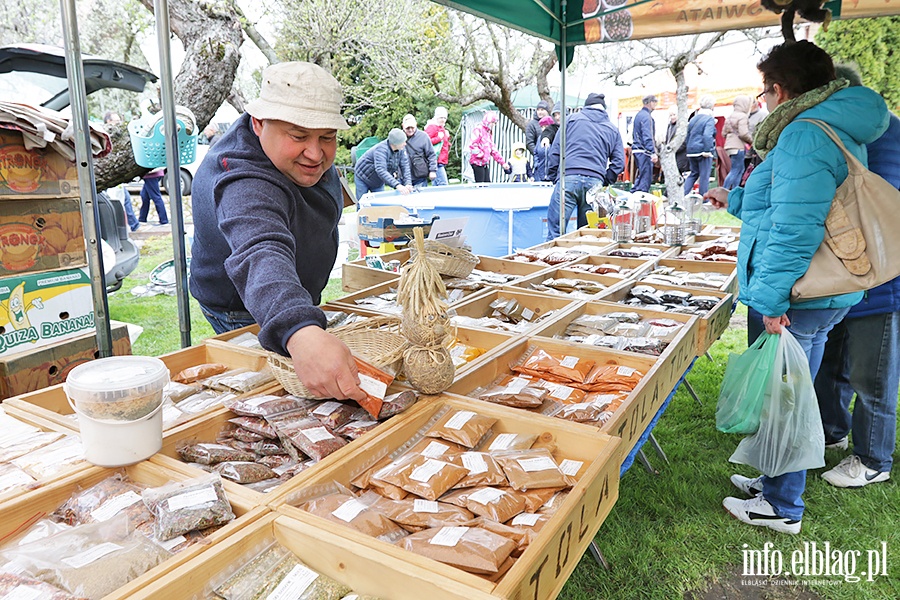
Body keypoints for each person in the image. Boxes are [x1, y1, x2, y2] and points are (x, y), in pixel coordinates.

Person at [705, 41, 889, 534]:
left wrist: (770, 299)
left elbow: (794, 227)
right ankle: (773, 484)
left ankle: (782, 506)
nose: (763, 99)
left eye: (765, 89)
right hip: (823, 290)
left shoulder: (803, 135)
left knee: (787, 399)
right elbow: (783, 207)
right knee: (791, 390)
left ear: (781, 89)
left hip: (804, 292)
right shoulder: (826, 126)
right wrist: (738, 199)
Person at [189, 61, 367, 403]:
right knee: (286, 397)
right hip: (244, 305)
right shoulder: (241, 178)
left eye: (327, 137)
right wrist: (299, 332)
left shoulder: (300, 155)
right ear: (258, 123)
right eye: (298, 136)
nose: (315, 154)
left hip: (293, 296)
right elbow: (260, 249)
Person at [813, 63, 900, 489]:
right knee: (835, 362)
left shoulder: (883, 136)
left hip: (881, 277)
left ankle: (872, 458)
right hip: (846, 276)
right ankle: (834, 432)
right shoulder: (845, 134)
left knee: (873, 374)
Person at [545, 92, 624, 240]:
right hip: (595, 184)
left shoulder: (571, 120)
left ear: (585, 106)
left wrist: (553, 175)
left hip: (568, 178)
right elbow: (619, 162)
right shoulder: (613, 129)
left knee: (555, 234)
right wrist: (605, 179)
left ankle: (551, 262)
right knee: (588, 237)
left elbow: (555, 151)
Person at [353, 128, 413, 201]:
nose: (405, 144)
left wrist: (408, 183)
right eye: (403, 142)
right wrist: (397, 185)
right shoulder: (381, 150)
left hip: (378, 181)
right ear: (395, 143)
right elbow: (381, 170)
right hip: (363, 177)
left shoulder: (401, 149)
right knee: (362, 203)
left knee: (380, 203)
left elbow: (405, 166)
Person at [683, 95, 717, 195]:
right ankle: (704, 197)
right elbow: (707, 135)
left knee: (693, 173)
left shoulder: (693, 118)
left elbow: (687, 134)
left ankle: (683, 194)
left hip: (691, 150)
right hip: (703, 151)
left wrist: (688, 149)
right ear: (711, 107)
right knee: (704, 175)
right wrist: (708, 150)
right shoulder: (709, 119)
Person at [468, 111, 509, 183]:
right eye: (493, 123)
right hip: (477, 162)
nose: (494, 125)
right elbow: (472, 145)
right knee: (480, 184)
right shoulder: (478, 129)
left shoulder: (488, 133)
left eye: (495, 123)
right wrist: (482, 155)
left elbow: (493, 150)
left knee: (487, 184)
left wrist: (503, 163)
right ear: (488, 121)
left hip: (484, 163)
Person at [721, 95, 753, 190]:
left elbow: (723, 133)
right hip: (738, 146)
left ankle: (734, 190)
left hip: (729, 146)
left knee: (739, 169)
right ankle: (726, 190)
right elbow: (743, 133)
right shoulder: (742, 116)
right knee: (736, 170)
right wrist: (752, 141)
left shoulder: (730, 116)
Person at [631, 94, 658, 192]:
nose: (656, 104)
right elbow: (648, 136)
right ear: (651, 102)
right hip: (644, 151)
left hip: (637, 149)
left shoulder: (639, 115)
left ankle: (634, 195)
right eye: (655, 102)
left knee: (641, 176)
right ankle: (641, 201)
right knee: (645, 179)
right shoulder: (647, 117)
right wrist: (652, 152)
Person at [401, 114, 437, 189]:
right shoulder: (398, 137)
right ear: (403, 126)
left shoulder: (424, 137)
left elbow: (431, 155)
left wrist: (432, 170)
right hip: (402, 177)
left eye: (412, 127)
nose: (410, 130)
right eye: (408, 128)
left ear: (416, 124)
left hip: (420, 177)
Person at [424, 106, 451, 186]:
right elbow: (426, 142)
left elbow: (443, 145)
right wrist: (438, 138)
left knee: (436, 184)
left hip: (440, 160)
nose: (443, 120)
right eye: (441, 117)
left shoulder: (441, 128)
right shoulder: (432, 127)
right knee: (443, 184)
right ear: (436, 117)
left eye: (444, 118)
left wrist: (447, 137)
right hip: (435, 161)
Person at [663, 106, 689, 176]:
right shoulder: (670, 126)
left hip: (681, 156)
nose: (672, 117)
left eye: (674, 115)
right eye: (670, 115)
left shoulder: (682, 126)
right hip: (672, 155)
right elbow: (667, 139)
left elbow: (684, 141)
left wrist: (673, 149)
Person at [533, 115, 555, 182]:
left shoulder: (555, 137)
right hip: (540, 173)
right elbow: (536, 152)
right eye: (542, 127)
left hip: (552, 173)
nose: (544, 129)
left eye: (546, 126)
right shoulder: (540, 138)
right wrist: (536, 164)